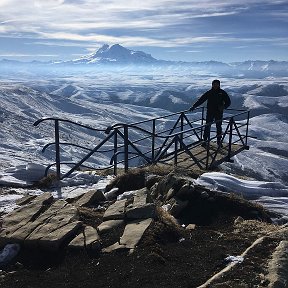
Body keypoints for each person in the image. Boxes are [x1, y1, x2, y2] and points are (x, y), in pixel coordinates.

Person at [189, 79, 231, 147]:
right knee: (207, 126)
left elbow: (228, 102)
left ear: (219, 85)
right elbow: (201, 100)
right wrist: (194, 106)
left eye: (217, 84)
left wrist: (223, 107)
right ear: (212, 84)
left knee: (218, 127)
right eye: (214, 84)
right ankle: (205, 141)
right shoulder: (209, 92)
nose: (215, 85)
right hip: (210, 112)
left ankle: (219, 141)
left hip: (218, 112)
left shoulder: (222, 92)